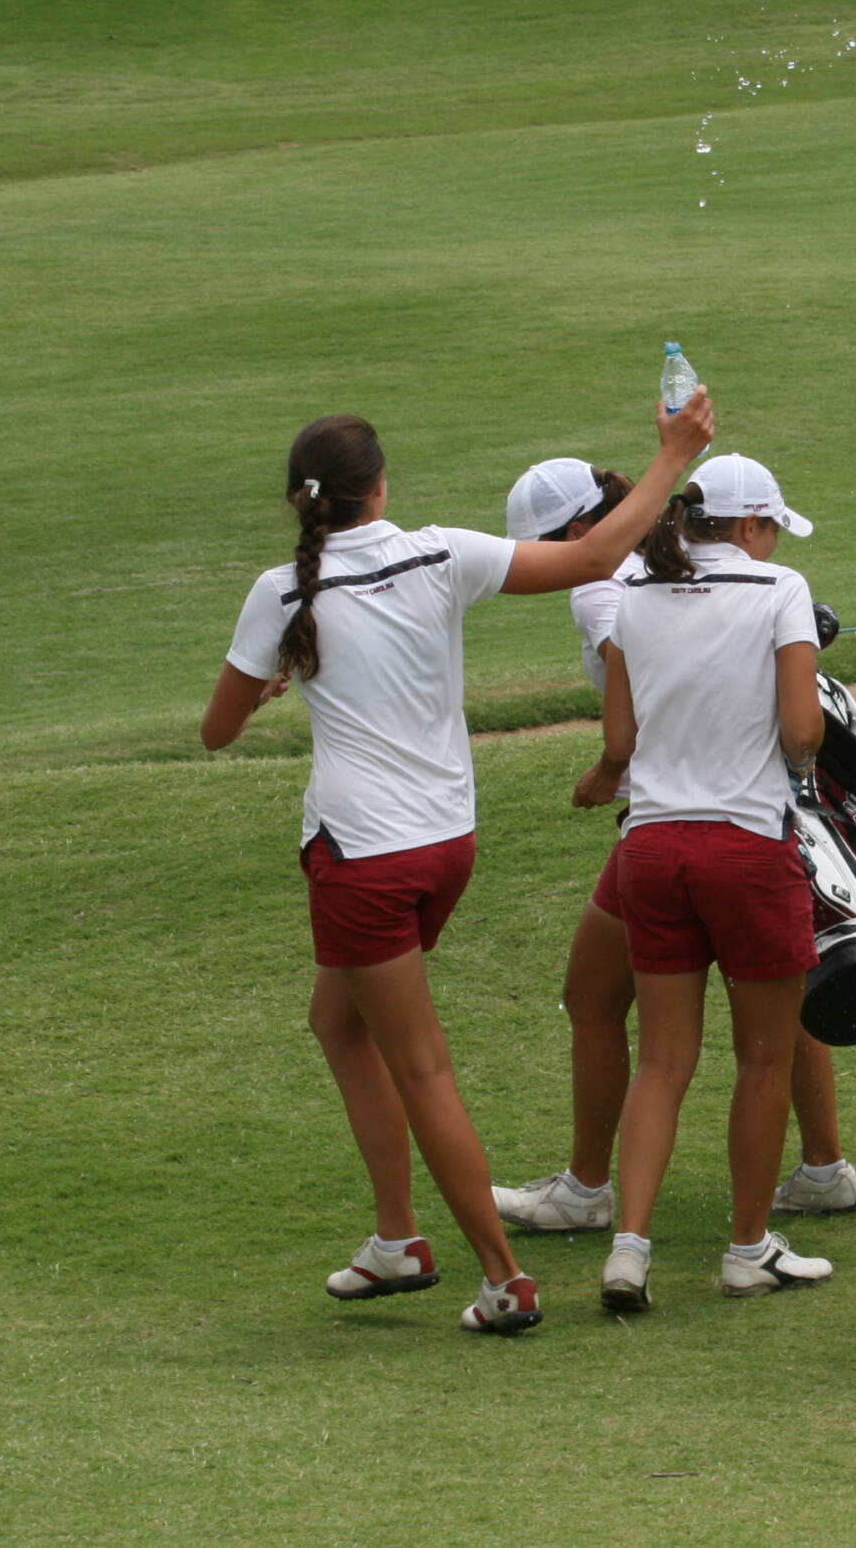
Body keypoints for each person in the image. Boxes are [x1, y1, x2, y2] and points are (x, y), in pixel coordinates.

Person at [201, 393, 713, 1334]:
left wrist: (277, 679)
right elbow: (596, 555)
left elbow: (216, 732)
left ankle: (503, 1277)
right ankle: (396, 1238)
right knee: (338, 1020)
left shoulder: (282, 593)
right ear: (380, 488)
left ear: (303, 502)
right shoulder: (441, 551)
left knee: (422, 1067)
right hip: (447, 845)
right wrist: (671, 455)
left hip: (362, 856)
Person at [486, 458, 856, 1234]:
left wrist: (609, 770)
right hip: (732, 821)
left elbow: (647, 706)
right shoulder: (689, 572)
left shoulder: (609, 587)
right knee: (773, 998)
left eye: (546, 546)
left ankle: (595, 1192)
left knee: (602, 1002)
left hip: (664, 828)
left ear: (580, 532)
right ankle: (821, 1168)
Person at [570, 453, 833, 1311]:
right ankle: (748, 1246)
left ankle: (630, 1248)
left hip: (650, 847)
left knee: (662, 1060)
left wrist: (610, 773)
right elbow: (801, 732)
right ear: (751, 525)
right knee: (764, 1057)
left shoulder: (633, 593)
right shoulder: (779, 589)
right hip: (746, 849)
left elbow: (620, 736)